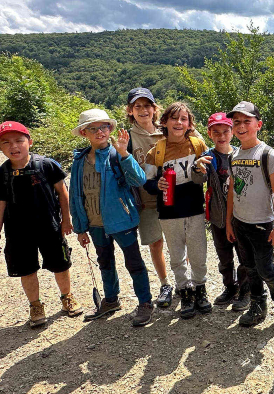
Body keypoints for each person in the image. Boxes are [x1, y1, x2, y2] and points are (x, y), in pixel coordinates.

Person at [0, 121, 82, 328]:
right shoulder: (0, 174)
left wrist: (66, 220)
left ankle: (67, 297)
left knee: (61, 265)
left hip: (50, 227)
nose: (14, 147)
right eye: (6, 142)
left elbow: (62, 193)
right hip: (18, 233)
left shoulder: (46, 165)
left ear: (29, 142)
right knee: (27, 270)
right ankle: (35, 305)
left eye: (19, 141)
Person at [69, 109, 153, 327]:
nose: (99, 132)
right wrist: (80, 228)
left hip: (122, 220)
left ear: (110, 130)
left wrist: (125, 154)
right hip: (95, 224)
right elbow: (76, 196)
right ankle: (111, 299)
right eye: (93, 128)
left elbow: (139, 180)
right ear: (84, 132)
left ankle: (145, 302)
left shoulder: (117, 155)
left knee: (134, 262)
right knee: (105, 262)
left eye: (104, 127)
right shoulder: (79, 161)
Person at [225, 101, 274, 335]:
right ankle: (258, 304)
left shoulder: (268, 154)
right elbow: (233, 191)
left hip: (262, 224)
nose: (241, 126)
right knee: (249, 267)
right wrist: (229, 222)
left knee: (266, 268)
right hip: (240, 222)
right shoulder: (234, 155)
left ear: (258, 125)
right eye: (237, 122)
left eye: (247, 121)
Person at [143, 102, 211, 319]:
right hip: (169, 212)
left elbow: (209, 173)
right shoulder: (156, 151)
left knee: (198, 254)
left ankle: (200, 288)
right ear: (164, 122)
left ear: (190, 124)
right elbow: (147, 181)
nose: (179, 123)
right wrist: (157, 185)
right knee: (177, 256)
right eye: (174, 118)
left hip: (194, 209)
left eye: (184, 119)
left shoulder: (198, 145)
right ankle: (185, 292)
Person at [193, 112, 250, 311]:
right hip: (218, 217)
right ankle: (230, 287)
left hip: (241, 217)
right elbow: (198, 179)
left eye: (225, 131)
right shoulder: (207, 157)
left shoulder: (241, 153)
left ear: (232, 132)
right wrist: (197, 168)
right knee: (224, 256)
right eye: (216, 132)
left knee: (244, 256)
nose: (221, 136)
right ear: (209, 133)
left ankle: (245, 291)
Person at [125, 87, 173, 308]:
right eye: (138, 106)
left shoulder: (168, 131)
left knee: (178, 241)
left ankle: (184, 280)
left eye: (147, 106)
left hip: (174, 197)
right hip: (146, 200)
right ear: (130, 111)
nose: (143, 110)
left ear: (155, 109)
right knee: (156, 243)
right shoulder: (127, 139)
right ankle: (165, 283)